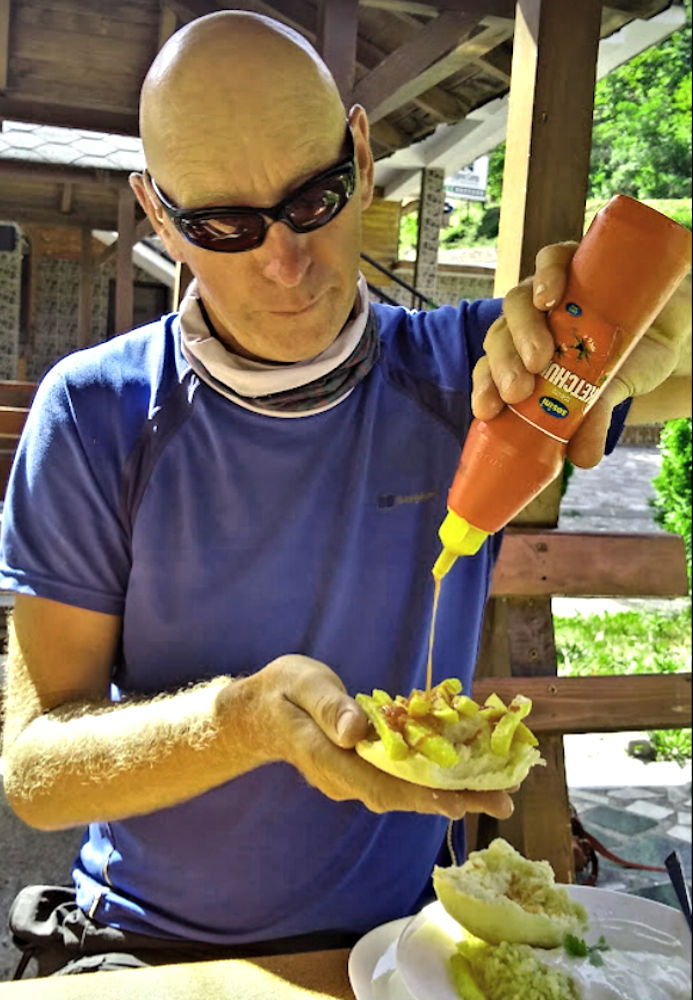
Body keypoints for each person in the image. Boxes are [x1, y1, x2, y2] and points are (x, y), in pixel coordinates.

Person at [1, 10, 690, 979]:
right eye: (224, 225)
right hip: (147, 947)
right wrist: (244, 722)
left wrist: (664, 318)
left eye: (314, 198)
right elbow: (34, 772)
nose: (285, 263)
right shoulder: (97, 413)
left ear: (361, 156)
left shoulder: (483, 376)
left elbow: (666, 359)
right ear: (159, 214)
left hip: (407, 943)